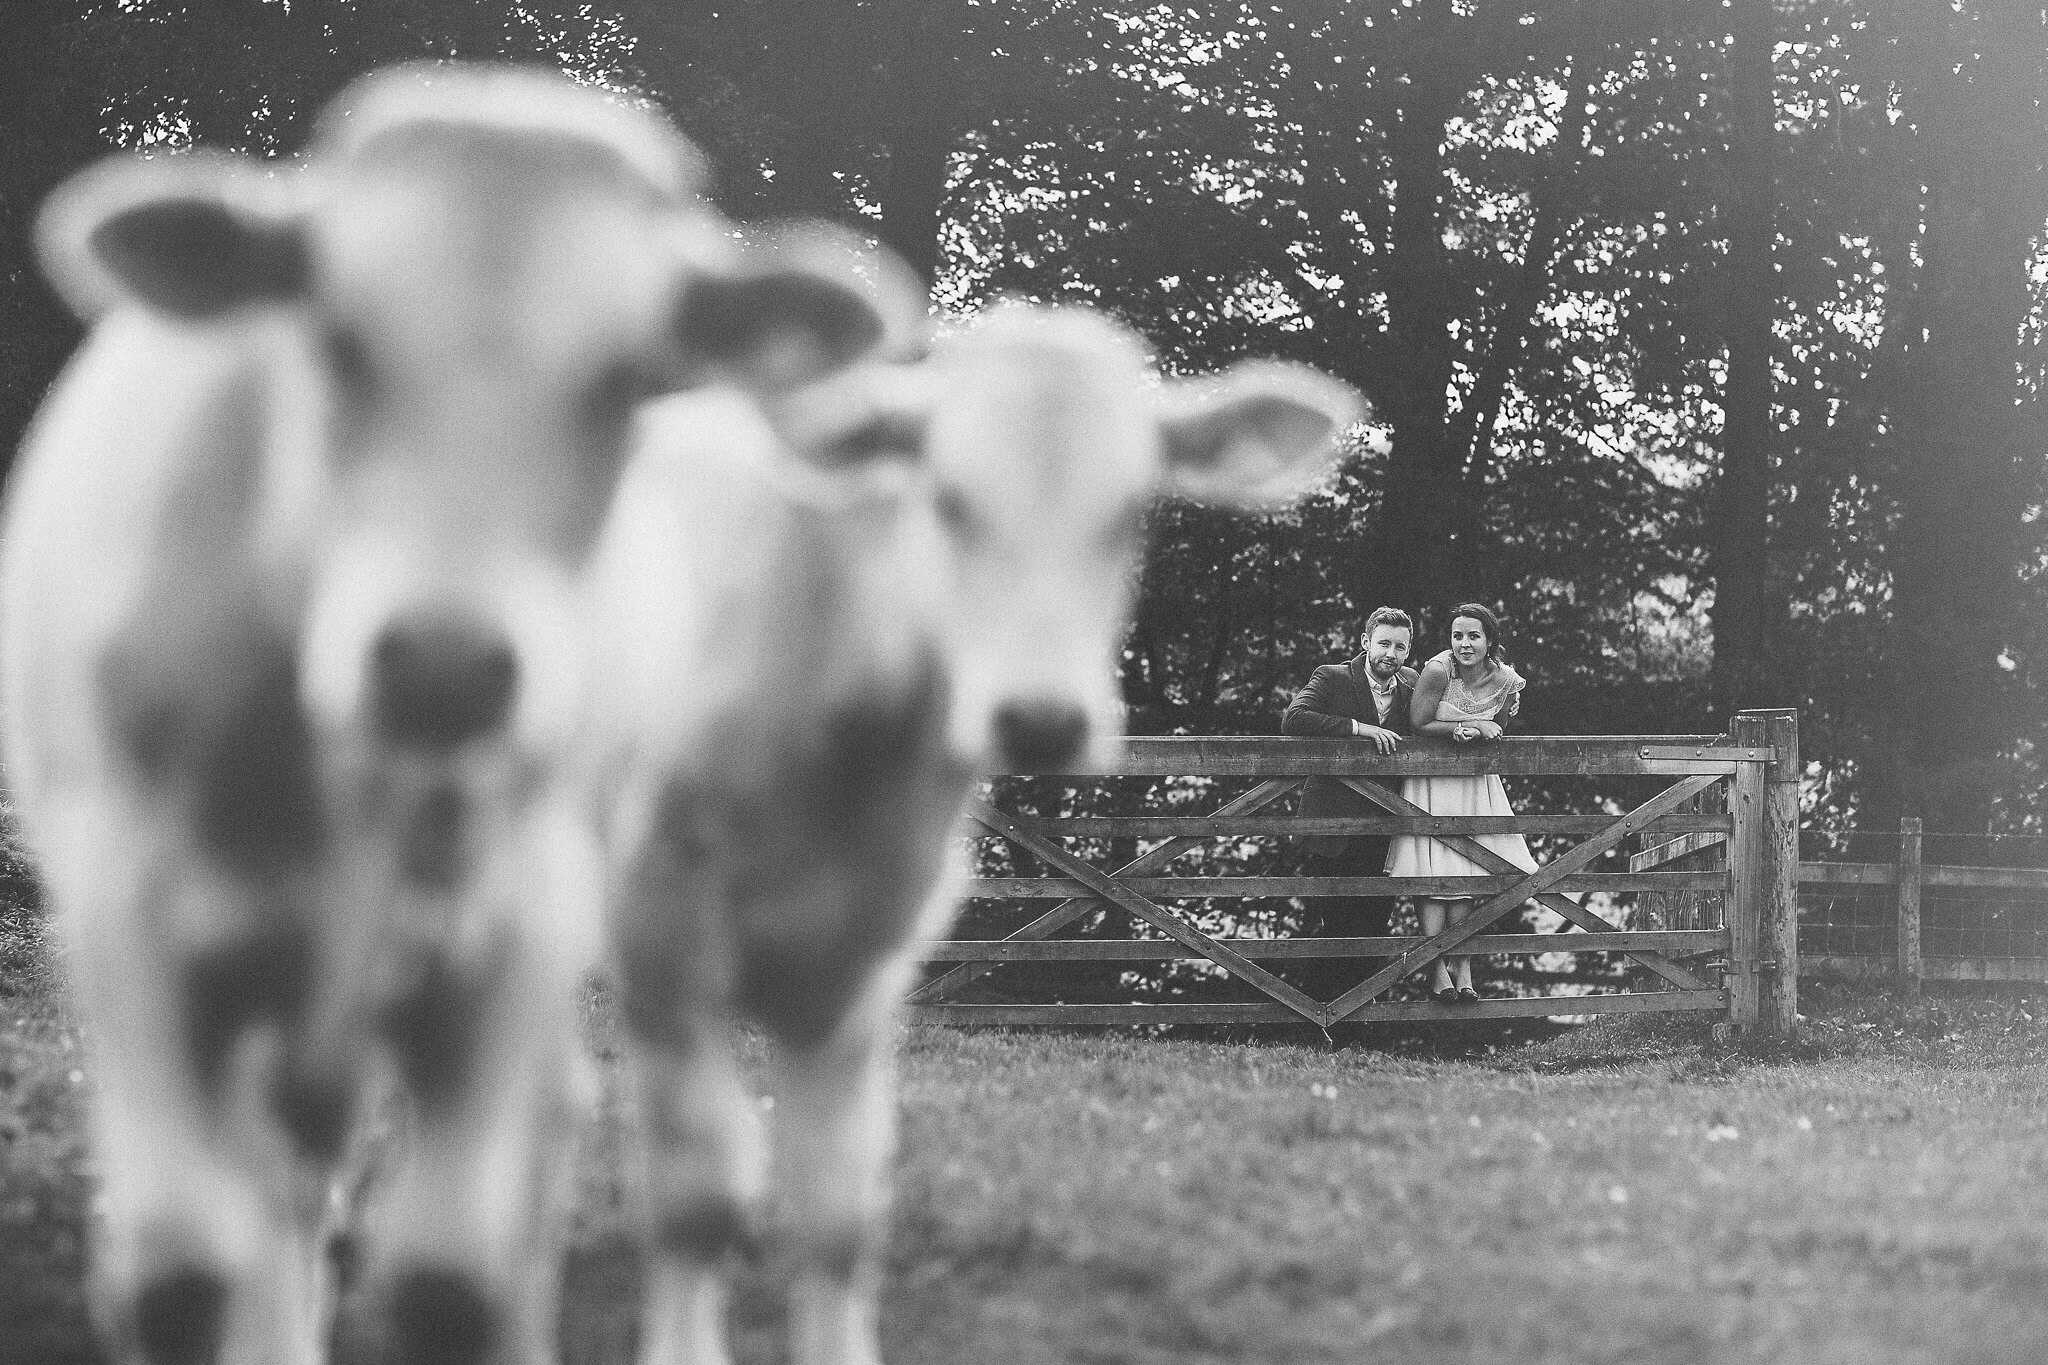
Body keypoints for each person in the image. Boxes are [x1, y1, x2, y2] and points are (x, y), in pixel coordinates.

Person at [1385, 603, 1536, 1004]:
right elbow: (1418, 724)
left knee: (1468, 873)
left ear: (1490, 641)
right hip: (1432, 780)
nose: (1464, 644)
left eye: (1473, 636)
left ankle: (1464, 967)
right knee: (1433, 874)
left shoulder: (1506, 679)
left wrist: (1488, 729)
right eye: (1457, 635)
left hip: (1473, 783)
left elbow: (1501, 726)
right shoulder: (1438, 670)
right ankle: (1437, 971)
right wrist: (1463, 727)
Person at [1281, 608, 1418, 966]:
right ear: (1365, 642)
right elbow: (1294, 718)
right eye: (1384, 643)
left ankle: (1362, 1016)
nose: (1391, 653)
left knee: (1374, 927)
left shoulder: (1413, 684)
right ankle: (1328, 1017)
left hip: (1387, 826)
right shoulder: (1333, 677)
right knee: (1334, 930)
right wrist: (1360, 729)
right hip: (1332, 826)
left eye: (1400, 647)